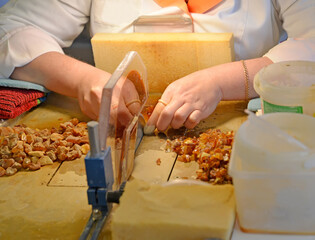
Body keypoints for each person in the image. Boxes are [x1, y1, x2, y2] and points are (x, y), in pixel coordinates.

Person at [0, 0, 314, 132]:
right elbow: (11, 30)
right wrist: (82, 80)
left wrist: (226, 81)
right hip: (117, 130)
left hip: (247, 139)